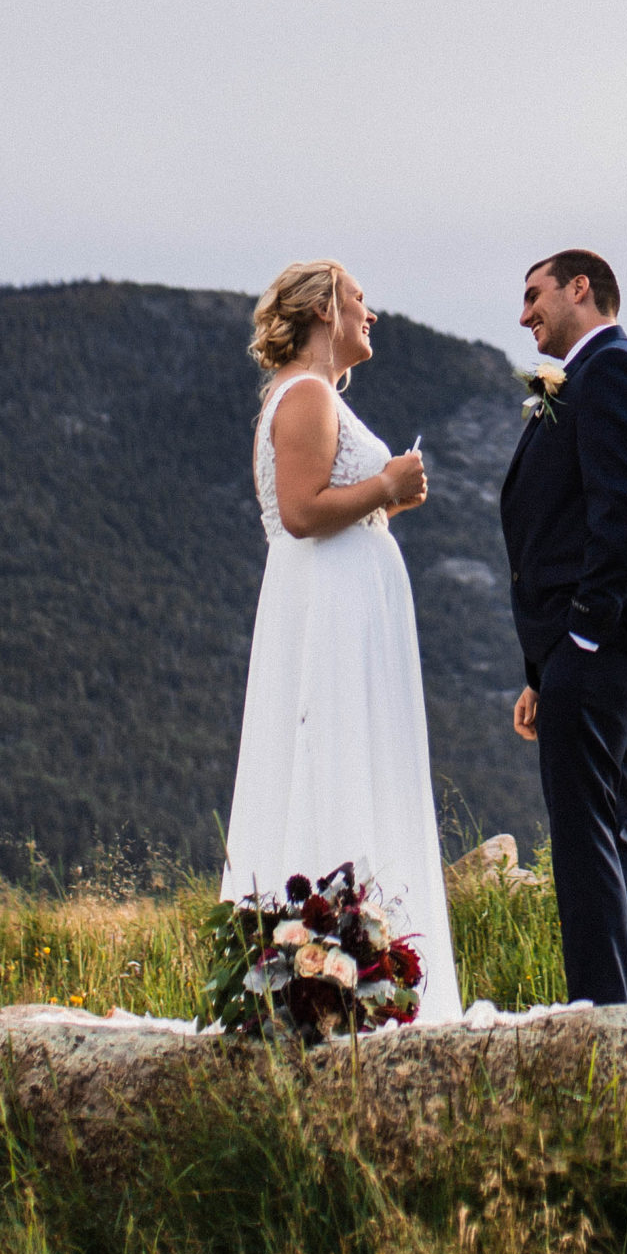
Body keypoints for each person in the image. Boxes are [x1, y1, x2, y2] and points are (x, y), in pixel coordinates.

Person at [221, 260, 462, 1023]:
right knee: (336, 755)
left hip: (343, 609)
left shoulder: (312, 395)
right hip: (326, 615)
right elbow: (300, 512)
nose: (371, 314)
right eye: (360, 301)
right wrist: (386, 486)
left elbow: (332, 510)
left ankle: (356, 963)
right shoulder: (308, 395)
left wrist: (385, 505)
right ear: (326, 308)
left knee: (354, 756)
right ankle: (337, 967)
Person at [499, 249, 627, 1005]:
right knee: (602, 829)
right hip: (575, 654)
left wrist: (581, 641)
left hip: (598, 645)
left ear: (579, 289)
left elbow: (618, 516)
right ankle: (622, 1010)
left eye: (533, 295)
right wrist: (542, 671)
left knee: (582, 838)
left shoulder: (612, 371)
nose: (523, 313)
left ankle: (602, 1014)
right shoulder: (579, 378)